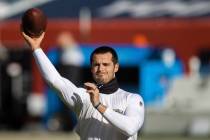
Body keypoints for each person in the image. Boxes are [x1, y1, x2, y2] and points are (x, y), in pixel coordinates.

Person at [22, 32, 145, 140]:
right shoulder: (83, 96)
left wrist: (98, 105)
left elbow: (130, 128)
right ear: (91, 68)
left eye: (106, 64)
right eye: (96, 65)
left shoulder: (132, 99)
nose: (101, 69)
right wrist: (36, 48)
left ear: (116, 67)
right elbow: (55, 80)